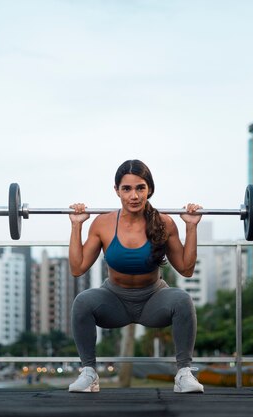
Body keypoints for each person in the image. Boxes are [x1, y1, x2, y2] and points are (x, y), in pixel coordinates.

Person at [67, 159, 205, 394]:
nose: (134, 196)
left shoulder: (164, 223)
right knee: (83, 301)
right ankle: (89, 373)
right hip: (114, 301)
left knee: (182, 299)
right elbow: (78, 268)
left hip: (154, 300)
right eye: (127, 189)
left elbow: (186, 269)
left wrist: (191, 227)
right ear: (116, 190)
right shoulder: (103, 223)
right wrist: (76, 226)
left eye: (140, 188)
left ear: (149, 189)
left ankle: (184, 373)